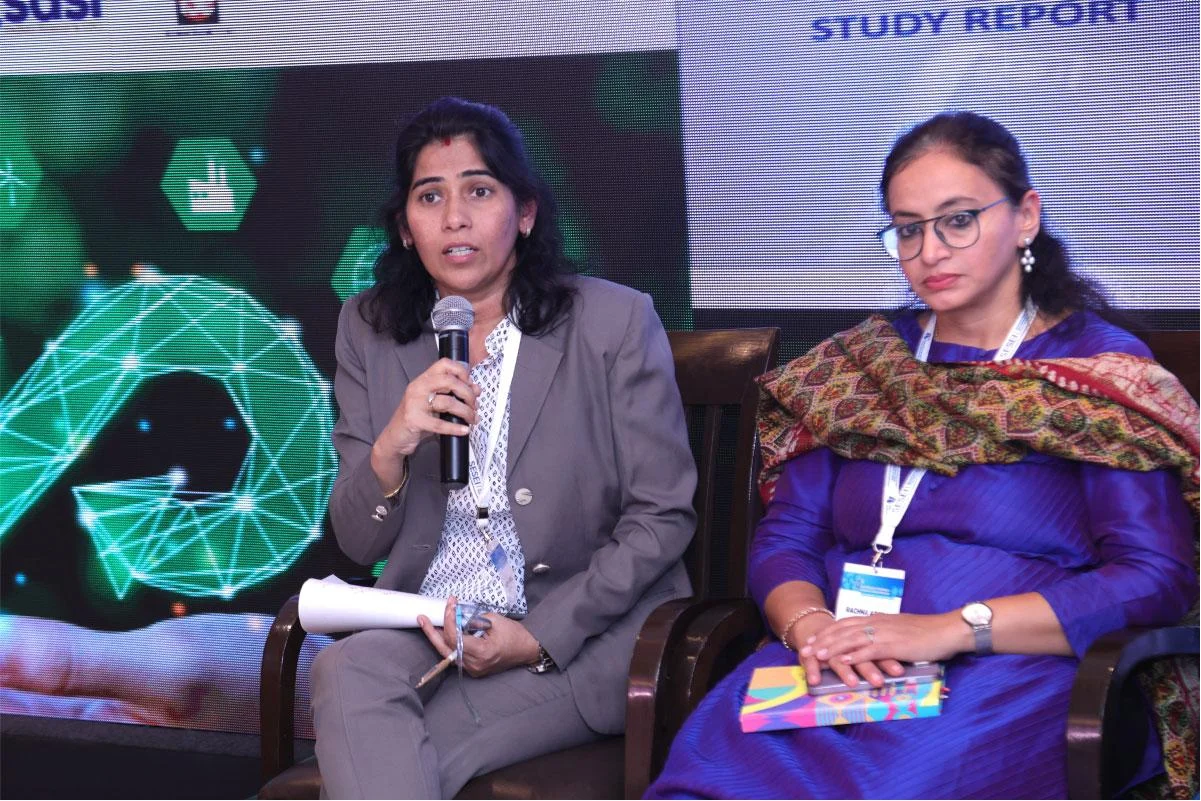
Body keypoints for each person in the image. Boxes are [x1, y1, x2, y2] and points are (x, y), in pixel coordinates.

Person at [646, 111, 1198, 799]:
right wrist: (810, 626)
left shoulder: (1096, 374)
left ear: (1025, 217)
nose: (930, 251)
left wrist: (950, 630)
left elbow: (1153, 577)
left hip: (1011, 671)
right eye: (908, 228)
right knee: (704, 779)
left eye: (957, 220)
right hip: (836, 663)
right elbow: (789, 537)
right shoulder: (856, 370)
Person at [310, 96, 697, 799]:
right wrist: (393, 444)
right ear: (404, 228)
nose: (454, 218)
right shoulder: (369, 328)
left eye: (479, 191)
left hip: (581, 633)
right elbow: (355, 538)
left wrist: (538, 634)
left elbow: (661, 517)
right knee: (343, 670)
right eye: (430, 196)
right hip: (433, 622)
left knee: (396, 759)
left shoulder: (612, 320)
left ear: (524, 213)